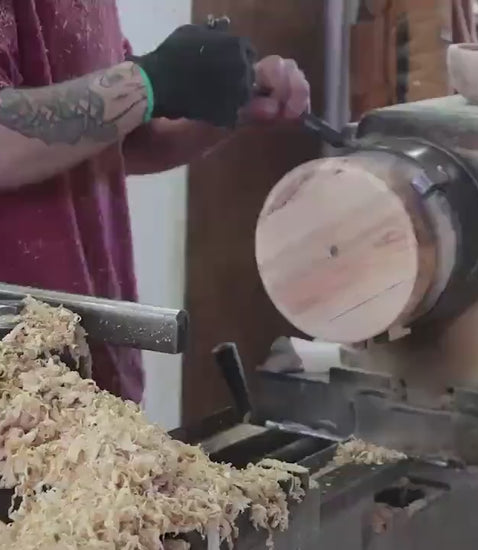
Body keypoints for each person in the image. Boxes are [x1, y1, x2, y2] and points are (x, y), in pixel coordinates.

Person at [0, 3, 310, 403]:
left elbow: (117, 138)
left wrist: (222, 104)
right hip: (14, 385)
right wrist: (149, 81)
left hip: (89, 364)